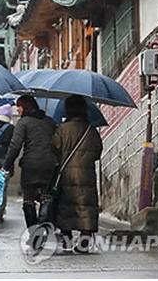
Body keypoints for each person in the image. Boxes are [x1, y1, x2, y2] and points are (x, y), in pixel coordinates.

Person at [52, 95, 102, 253]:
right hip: (86, 174)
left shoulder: (62, 129)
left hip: (66, 173)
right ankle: (84, 240)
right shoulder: (91, 129)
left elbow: (54, 148)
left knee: (66, 205)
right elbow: (97, 152)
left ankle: (66, 238)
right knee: (85, 205)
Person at [2, 95, 57, 231]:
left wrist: (7, 165)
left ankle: (33, 233)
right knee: (46, 196)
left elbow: (15, 145)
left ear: (24, 107)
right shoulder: (50, 122)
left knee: (29, 199)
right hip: (50, 164)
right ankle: (43, 222)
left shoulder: (23, 122)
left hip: (30, 165)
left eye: (18, 107)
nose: (17, 110)